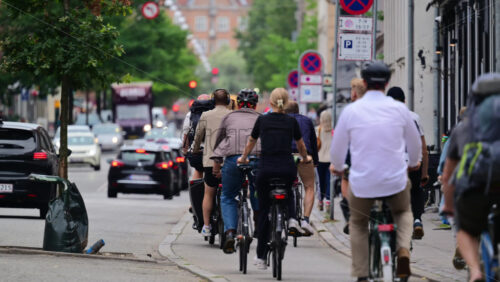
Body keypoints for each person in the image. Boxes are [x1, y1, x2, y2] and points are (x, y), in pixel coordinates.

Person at [330, 61, 421, 281]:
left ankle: (362, 274)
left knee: (359, 223)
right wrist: (414, 163)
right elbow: (415, 145)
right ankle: (402, 251)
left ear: (364, 82)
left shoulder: (351, 111)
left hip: (363, 184)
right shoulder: (400, 109)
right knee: (404, 213)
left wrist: (338, 167)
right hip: (395, 181)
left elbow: (338, 149)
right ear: (387, 82)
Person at [238, 88, 311, 270]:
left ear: (270, 102)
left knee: (264, 213)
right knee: (290, 189)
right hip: (286, 167)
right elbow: (301, 145)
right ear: (286, 103)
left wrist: (244, 157)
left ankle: (261, 257)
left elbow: (251, 142)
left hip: (266, 169)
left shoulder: (262, 120)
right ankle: (293, 218)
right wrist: (305, 158)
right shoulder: (291, 121)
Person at [442, 73, 500, 282]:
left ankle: (475, 270)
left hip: (474, 192)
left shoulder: (464, 128)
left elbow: (449, 175)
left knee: (465, 229)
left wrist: (448, 207)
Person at [211, 89, 261, 254]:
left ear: (238, 104)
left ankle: (230, 232)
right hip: (256, 160)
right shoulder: (261, 118)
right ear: (255, 105)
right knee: (258, 191)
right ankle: (258, 221)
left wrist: (217, 164)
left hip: (233, 161)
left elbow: (219, 141)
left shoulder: (229, 117)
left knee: (227, 196)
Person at [387, 87, 429, 240]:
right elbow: (423, 148)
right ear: (404, 101)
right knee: (416, 190)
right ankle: (417, 220)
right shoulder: (414, 117)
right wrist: (424, 173)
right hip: (412, 163)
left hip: (392, 165)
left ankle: (390, 226)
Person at [192, 89, 232, 237]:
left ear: (213, 101)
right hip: (228, 162)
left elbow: (198, 137)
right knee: (230, 194)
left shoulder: (206, 115)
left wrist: (195, 149)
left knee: (208, 194)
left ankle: (207, 226)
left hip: (210, 162)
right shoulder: (231, 115)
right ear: (227, 101)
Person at [284, 101, 319, 235]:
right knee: (309, 187)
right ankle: (305, 220)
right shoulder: (307, 120)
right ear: (298, 110)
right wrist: (314, 161)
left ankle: (285, 218)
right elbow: (313, 141)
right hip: (304, 157)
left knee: (283, 185)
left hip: (286, 156)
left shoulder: (282, 120)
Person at [183, 94, 212, 180]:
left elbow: (186, 133)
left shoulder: (190, 114)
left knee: (198, 170)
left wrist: (185, 150)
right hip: (211, 152)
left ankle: (196, 192)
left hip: (196, 153)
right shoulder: (213, 113)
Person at [316, 110, 333, 211]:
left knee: (320, 181)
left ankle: (320, 201)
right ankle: (328, 202)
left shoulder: (317, 130)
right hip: (331, 160)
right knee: (329, 181)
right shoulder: (334, 131)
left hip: (320, 159)